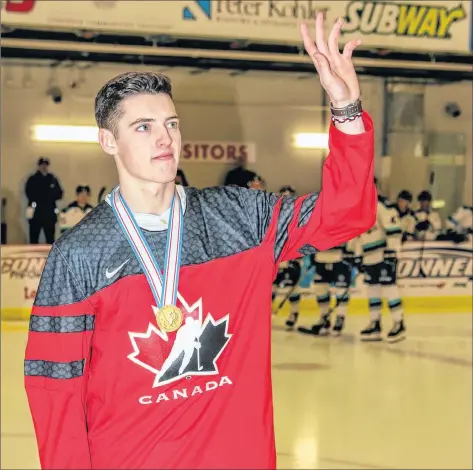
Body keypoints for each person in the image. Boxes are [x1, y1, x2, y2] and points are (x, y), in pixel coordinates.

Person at [24, 15, 377, 470]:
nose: (165, 139)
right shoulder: (79, 255)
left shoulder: (241, 218)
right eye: (143, 127)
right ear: (107, 141)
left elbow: (345, 213)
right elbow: (55, 391)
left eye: (170, 123)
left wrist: (346, 109)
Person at [359, 183, 405, 342]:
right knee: (373, 290)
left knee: (389, 288)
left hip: (384, 255)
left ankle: (399, 323)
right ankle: (375, 323)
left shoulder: (381, 207)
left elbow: (394, 229)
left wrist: (392, 252)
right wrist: (359, 256)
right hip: (370, 256)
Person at [296, 238, 358, 336]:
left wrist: (351, 253)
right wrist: (310, 255)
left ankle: (340, 319)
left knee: (341, 291)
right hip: (320, 259)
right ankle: (325, 319)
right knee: (320, 289)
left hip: (340, 259)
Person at [271, 186, 303, 328]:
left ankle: (294, 313)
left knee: (291, 288)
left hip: (291, 259)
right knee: (270, 288)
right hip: (276, 259)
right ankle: (264, 315)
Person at [25, 157, 63, 244]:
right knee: (34, 237)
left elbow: (59, 194)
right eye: (42, 165)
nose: (44, 167)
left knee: (50, 238)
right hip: (36, 212)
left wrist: (50, 196)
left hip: (49, 212)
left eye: (46, 165)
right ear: (39, 166)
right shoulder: (33, 179)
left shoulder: (53, 179)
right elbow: (28, 192)